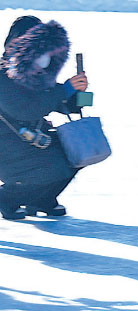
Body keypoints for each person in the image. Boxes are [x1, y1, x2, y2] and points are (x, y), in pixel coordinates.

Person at [0, 16, 88, 219]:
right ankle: (6, 199)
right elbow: (26, 110)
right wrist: (65, 90)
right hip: (7, 146)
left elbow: (54, 100)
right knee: (51, 166)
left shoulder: (34, 73)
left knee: (80, 149)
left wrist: (75, 94)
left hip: (29, 139)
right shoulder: (2, 75)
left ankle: (41, 199)